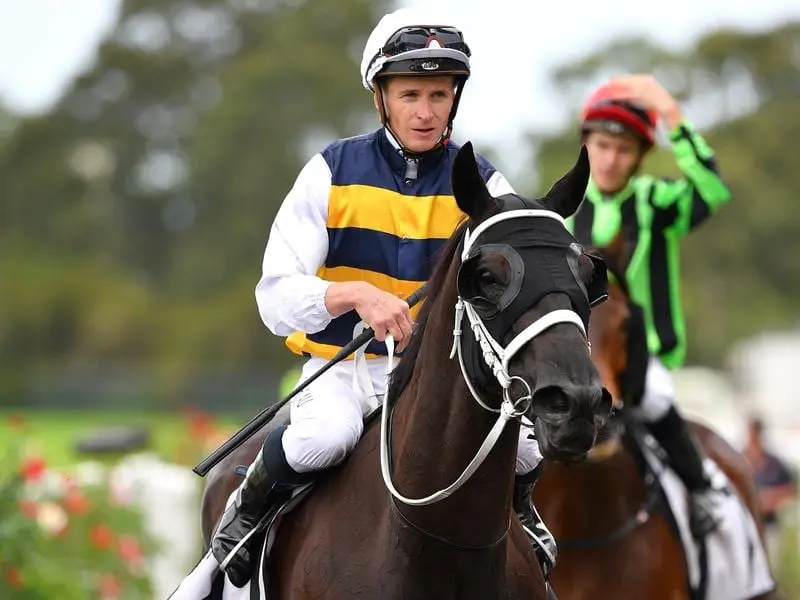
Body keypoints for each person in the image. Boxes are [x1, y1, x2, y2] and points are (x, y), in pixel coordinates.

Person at [210, 8, 555, 587]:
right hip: (343, 369)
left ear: (455, 98)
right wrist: (353, 295)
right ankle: (244, 516)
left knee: (525, 447)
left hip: (443, 381)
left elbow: (513, 284)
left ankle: (520, 511)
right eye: (411, 94)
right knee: (323, 438)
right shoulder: (329, 171)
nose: (426, 112)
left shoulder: (486, 185)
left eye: (440, 94)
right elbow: (274, 296)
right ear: (381, 96)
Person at [569, 75, 732, 538]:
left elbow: (713, 191)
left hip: (646, 357)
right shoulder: (564, 214)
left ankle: (703, 491)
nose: (610, 159)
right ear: (587, 145)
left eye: (623, 150)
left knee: (657, 398)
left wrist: (672, 115)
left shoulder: (655, 201)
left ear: (639, 157)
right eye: (602, 146)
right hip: (578, 356)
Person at [741, 416, 797, 561]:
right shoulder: (739, 460)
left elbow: (790, 489)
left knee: (768, 563)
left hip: (769, 524)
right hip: (745, 526)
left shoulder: (774, 463)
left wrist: (769, 498)